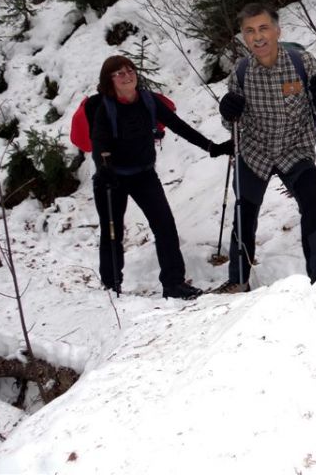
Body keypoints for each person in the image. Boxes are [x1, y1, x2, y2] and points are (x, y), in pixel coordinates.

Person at [216, 2, 316, 293]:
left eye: (263, 28)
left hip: (295, 148)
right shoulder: (242, 72)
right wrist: (227, 111)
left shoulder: (302, 63)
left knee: (313, 205)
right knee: (244, 213)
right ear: (243, 37)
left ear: (277, 30)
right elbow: (231, 124)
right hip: (254, 151)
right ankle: (238, 280)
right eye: (249, 31)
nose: (257, 37)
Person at [92, 55, 232, 300]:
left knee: (165, 226)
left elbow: (179, 126)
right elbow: (99, 143)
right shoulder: (104, 108)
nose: (127, 76)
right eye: (120, 73)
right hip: (111, 179)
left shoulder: (148, 100)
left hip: (144, 174)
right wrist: (104, 169)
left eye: (130, 70)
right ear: (110, 81)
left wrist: (212, 147)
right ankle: (111, 285)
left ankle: (174, 283)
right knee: (112, 231)